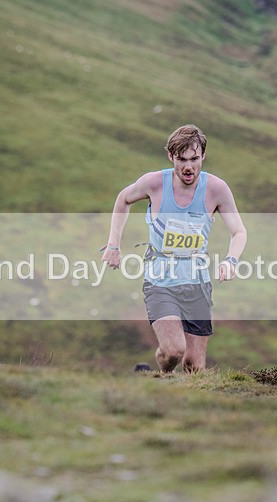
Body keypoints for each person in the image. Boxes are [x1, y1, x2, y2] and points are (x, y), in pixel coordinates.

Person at [103, 125, 247, 372]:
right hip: (160, 281)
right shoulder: (154, 183)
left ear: (203, 156)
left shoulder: (216, 189)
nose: (188, 167)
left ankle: (181, 400)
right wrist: (113, 245)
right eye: (181, 160)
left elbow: (239, 232)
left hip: (197, 282)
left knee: (193, 364)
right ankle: (161, 373)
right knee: (173, 351)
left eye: (194, 159)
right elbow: (123, 199)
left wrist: (230, 261)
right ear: (171, 156)